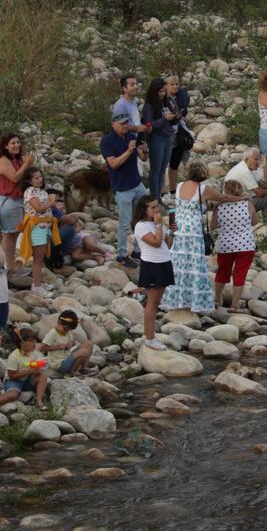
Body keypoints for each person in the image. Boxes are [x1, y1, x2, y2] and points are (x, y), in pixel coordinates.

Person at [166, 161, 218, 314]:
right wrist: (241, 199)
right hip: (194, 232)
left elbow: (180, 207)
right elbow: (223, 197)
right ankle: (194, 302)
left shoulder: (180, 186)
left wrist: (171, 226)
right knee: (195, 266)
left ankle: (177, 300)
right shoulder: (203, 189)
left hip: (180, 229)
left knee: (179, 266)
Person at [100, 111, 150, 264]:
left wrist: (145, 150)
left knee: (142, 217)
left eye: (127, 122)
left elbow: (143, 158)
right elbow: (113, 164)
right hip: (122, 188)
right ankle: (122, 254)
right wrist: (129, 151)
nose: (125, 126)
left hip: (136, 183)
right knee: (124, 222)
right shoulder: (107, 141)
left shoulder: (130, 136)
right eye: (122, 123)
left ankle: (137, 250)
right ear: (113, 124)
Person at [213, 176, 258, 308]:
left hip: (225, 245)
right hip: (245, 245)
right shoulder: (247, 203)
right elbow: (254, 222)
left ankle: (216, 300)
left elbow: (213, 226)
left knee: (222, 272)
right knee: (240, 273)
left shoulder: (219, 206)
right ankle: (235, 305)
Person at [132, 196, 172, 339]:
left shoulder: (157, 224)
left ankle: (150, 335)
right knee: (152, 303)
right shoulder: (141, 226)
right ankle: (149, 337)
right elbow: (155, 242)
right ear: (144, 210)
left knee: (156, 301)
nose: (157, 210)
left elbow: (168, 244)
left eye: (157, 206)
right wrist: (159, 226)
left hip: (164, 262)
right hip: (152, 265)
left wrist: (170, 231)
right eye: (153, 207)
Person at [144, 77, 179, 199]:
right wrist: (164, 119)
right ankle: (154, 196)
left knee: (162, 169)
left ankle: (158, 196)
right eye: (160, 92)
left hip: (168, 137)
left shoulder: (166, 102)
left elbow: (171, 122)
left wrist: (176, 117)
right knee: (156, 169)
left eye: (164, 91)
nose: (163, 94)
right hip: (156, 139)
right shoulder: (149, 106)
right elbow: (149, 126)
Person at [0, 134, 30, 237]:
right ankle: (7, 254)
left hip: (17, 200)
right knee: (9, 235)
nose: (17, 145)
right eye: (13, 143)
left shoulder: (16, 159)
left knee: (16, 234)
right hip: (8, 201)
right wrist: (26, 164)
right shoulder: (2, 159)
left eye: (18, 142)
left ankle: (11, 253)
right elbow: (15, 178)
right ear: (5, 146)